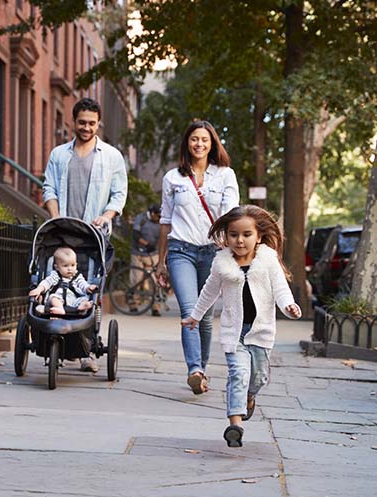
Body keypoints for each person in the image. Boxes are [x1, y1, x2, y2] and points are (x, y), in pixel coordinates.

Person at [182, 205, 302, 448]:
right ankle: (235, 424)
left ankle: (249, 396)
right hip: (234, 332)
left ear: (258, 236)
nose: (239, 240)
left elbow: (280, 289)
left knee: (258, 378)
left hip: (261, 332)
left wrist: (289, 305)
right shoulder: (221, 264)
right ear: (226, 237)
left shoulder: (267, 260)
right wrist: (195, 316)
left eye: (246, 235)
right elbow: (209, 292)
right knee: (238, 373)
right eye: (233, 234)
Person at [42, 97, 127, 373]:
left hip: (94, 235)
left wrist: (107, 216)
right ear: (73, 122)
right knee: (57, 285)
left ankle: (86, 351)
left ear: (98, 123)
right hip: (63, 232)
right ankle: (56, 339)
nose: (87, 127)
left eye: (92, 123)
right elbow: (49, 188)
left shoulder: (112, 156)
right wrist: (55, 216)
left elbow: (119, 194)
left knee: (90, 287)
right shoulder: (59, 154)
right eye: (82, 122)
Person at [156, 120, 239, 395]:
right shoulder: (173, 178)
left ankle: (200, 370)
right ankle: (194, 368)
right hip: (180, 250)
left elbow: (232, 217)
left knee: (204, 316)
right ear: (187, 143)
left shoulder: (225, 175)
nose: (199, 144)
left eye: (204, 139)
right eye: (194, 139)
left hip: (214, 253)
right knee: (190, 311)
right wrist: (161, 260)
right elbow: (165, 221)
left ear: (212, 143)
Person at [29, 247, 97, 315]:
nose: (70, 269)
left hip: (73, 302)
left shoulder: (77, 276)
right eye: (65, 266)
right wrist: (39, 289)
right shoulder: (55, 276)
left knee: (84, 299)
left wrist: (88, 288)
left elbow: (83, 284)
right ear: (57, 267)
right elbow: (46, 282)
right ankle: (60, 309)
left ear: (76, 265)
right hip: (58, 300)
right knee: (53, 298)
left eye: (72, 265)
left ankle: (82, 307)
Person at [129, 204, 162, 316]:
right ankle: (133, 304)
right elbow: (136, 235)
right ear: (152, 214)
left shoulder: (161, 222)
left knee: (154, 281)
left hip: (153, 254)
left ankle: (155, 307)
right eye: (158, 216)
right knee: (136, 279)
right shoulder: (141, 218)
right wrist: (146, 244)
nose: (159, 219)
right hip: (138, 253)